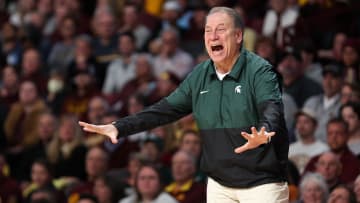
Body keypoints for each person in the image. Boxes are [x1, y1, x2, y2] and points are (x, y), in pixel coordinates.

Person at [80, 7, 289, 203]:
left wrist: (264, 132)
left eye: (220, 30)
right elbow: (163, 110)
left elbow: (271, 109)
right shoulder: (200, 75)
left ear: (238, 36)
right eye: (208, 31)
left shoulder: (260, 71)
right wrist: (119, 126)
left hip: (262, 182)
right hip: (220, 184)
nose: (213, 36)